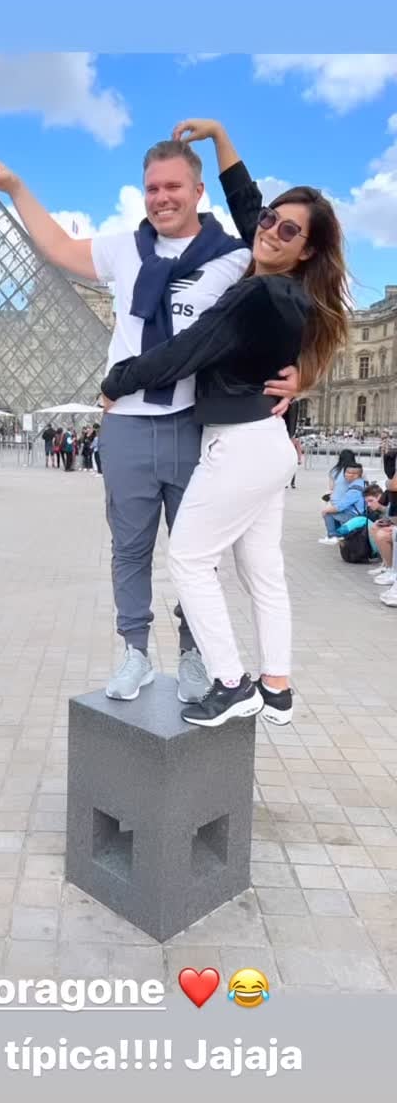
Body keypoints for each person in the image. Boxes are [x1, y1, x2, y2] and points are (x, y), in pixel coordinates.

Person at [0, 140, 298, 704]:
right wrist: (16, 189)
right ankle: (134, 652)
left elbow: (289, 291)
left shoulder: (234, 256)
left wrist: (304, 371)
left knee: (197, 553)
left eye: (173, 186)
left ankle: (195, 653)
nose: (161, 197)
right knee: (128, 548)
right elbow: (55, 246)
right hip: (124, 425)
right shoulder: (124, 250)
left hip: (191, 423)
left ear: (199, 191)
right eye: (152, 187)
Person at [100, 117, 350, 727]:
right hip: (266, 444)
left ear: (306, 248)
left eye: (287, 228)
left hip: (238, 445)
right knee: (262, 569)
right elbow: (248, 206)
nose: (267, 228)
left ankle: (232, 682)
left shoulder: (253, 294)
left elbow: (183, 354)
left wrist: (115, 382)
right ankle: (278, 687)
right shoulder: (282, 286)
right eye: (268, 219)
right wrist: (220, 139)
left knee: (189, 559)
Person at [319, 464, 366, 544]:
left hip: (355, 515)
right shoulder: (362, 483)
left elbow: (340, 507)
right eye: (346, 472)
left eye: (349, 473)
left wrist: (326, 510)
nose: (346, 475)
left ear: (356, 475)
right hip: (359, 513)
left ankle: (333, 536)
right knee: (331, 511)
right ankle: (339, 534)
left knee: (327, 513)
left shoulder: (355, 490)